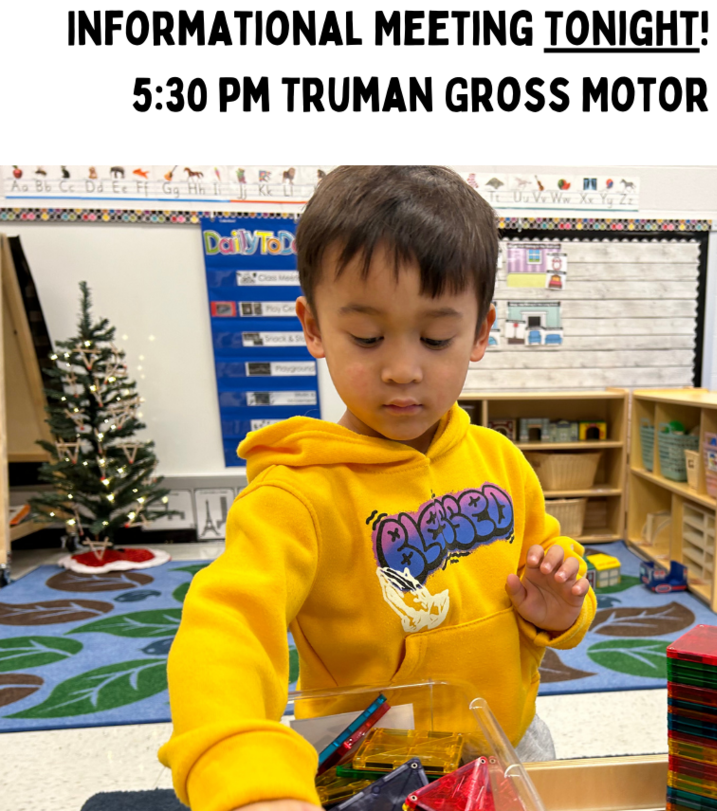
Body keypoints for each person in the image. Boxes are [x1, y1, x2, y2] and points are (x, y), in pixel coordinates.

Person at [159, 166, 596, 811]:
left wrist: (560, 614)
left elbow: (562, 575)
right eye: (366, 337)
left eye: (436, 337)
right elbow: (224, 631)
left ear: (480, 332)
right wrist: (246, 777)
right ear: (313, 327)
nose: (401, 369)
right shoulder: (297, 496)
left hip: (508, 740)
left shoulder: (501, 462)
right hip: (369, 768)